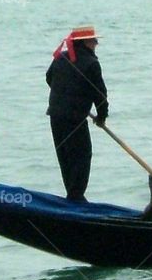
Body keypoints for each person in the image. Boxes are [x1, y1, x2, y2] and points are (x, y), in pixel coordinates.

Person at [46, 25, 108, 202]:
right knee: (82, 156)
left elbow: (49, 78)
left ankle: (72, 195)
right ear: (86, 42)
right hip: (74, 118)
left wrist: (65, 93)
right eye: (94, 41)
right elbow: (100, 95)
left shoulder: (60, 58)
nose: (96, 44)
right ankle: (76, 196)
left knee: (65, 155)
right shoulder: (91, 63)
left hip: (56, 114)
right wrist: (101, 117)